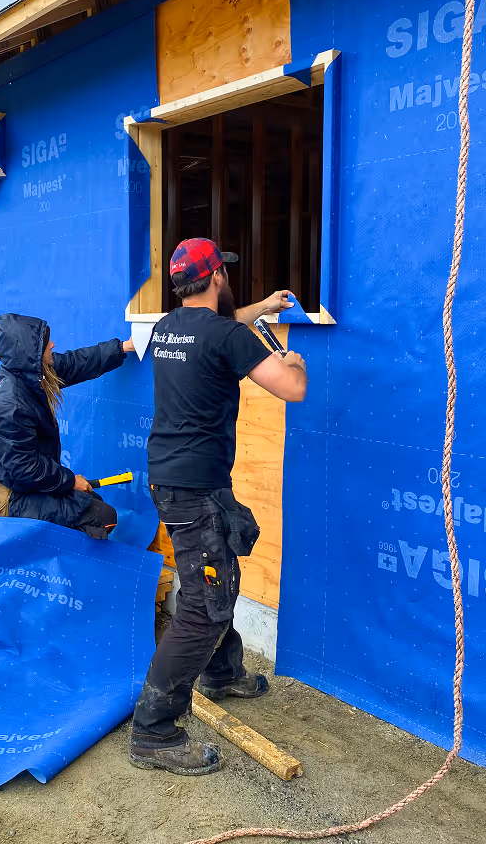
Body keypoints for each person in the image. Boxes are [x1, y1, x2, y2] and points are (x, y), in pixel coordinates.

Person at [129, 237, 308, 776]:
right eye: (224, 275)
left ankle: (223, 674)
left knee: (215, 574)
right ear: (215, 279)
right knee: (207, 604)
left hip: (173, 480)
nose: (228, 282)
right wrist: (290, 360)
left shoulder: (166, 329)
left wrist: (265, 309)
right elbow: (292, 390)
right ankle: (154, 731)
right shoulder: (227, 336)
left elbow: (218, 331)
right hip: (194, 489)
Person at [0, 313, 136, 539]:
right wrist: (69, 481)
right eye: (46, 343)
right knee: (101, 517)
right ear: (29, 352)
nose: (53, 345)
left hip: (21, 485)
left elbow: (77, 362)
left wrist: (124, 347)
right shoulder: (10, 405)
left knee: (92, 503)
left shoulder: (31, 375)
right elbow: (24, 469)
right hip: (6, 497)